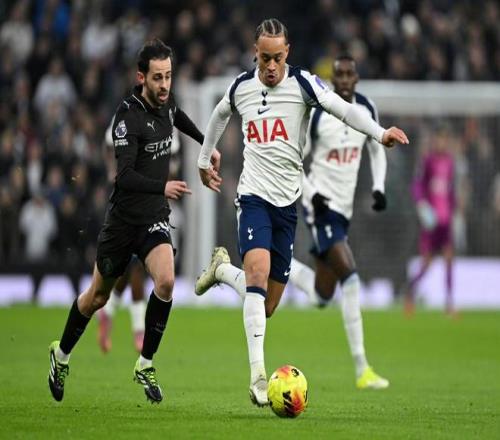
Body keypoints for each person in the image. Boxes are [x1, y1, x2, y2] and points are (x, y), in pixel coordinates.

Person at [194, 18, 408, 407]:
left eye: (277, 58)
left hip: (287, 206)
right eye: (264, 58)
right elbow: (220, 113)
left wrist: (380, 134)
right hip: (253, 198)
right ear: (255, 53)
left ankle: (222, 271)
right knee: (257, 275)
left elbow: (344, 110)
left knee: (267, 304)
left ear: (287, 53)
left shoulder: (304, 84)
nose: (270, 66)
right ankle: (258, 379)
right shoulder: (241, 87)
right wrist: (203, 158)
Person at [48, 39, 218, 404]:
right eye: (158, 77)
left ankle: (145, 363)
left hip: (153, 218)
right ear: (142, 77)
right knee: (96, 297)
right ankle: (60, 356)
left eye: (168, 76)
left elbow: (177, 116)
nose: (165, 84)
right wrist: (163, 186)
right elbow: (123, 176)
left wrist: (208, 145)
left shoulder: (166, 101)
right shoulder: (127, 118)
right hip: (123, 223)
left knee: (166, 282)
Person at [287, 54, 389, 389]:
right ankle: (362, 369)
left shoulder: (367, 109)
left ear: (356, 78)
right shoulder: (318, 113)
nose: (344, 79)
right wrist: (311, 193)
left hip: (343, 211)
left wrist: (378, 186)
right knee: (351, 277)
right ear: (332, 80)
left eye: (349, 74)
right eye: (339, 75)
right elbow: (293, 159)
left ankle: (280, 264)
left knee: (322, 295)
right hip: (320, 208)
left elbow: (376, 148)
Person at [404, 125, 455, 316]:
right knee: (427, 263)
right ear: (435, 141)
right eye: (439, 139)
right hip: (431, 221)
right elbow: (417, 185)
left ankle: (449, 304)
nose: (442, 143)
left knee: (449, 260)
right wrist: (422, 205)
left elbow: (450, 190)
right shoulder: (427, 161)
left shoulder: (450, 162)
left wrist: (453, 208)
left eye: (445, 139)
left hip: (445, 220)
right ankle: (410, 291)